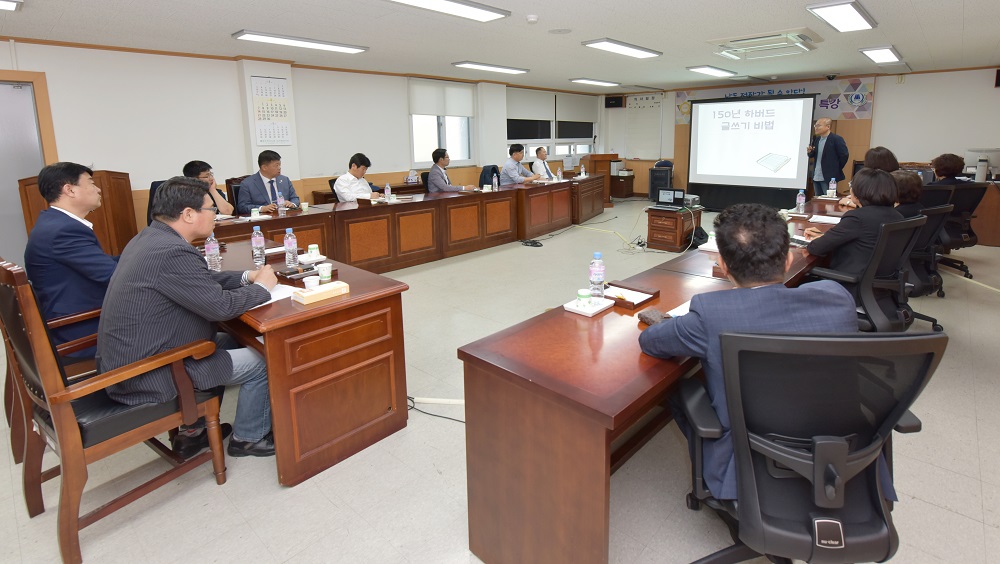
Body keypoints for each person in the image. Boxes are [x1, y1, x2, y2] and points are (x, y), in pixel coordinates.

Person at [637, 203, 858, 501]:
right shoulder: (836, 298)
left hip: (745, 469)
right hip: (836, 458)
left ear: (723, 266)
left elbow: (651, 342)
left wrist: (662, 321)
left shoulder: (710, 314)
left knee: (683, 389)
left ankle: (715, 473)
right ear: (789, 258)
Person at [99, 177, 279, 457]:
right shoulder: (172, 252)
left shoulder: (151, 238)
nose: (216, 217)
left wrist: (247, 276)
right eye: (212, 209)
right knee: (267, 356)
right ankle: (249, 438)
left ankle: (194, 430)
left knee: (233, 340)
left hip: (138, 355)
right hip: (152, 370)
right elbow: (220, 307)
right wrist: (262, 288)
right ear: (188, 214)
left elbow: (200, 278)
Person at [24, 162, 119, 355]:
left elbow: (102, 265)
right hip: (80, 330)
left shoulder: (54, 223)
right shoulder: (64, 230)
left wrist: (141, 256)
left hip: (73, 317)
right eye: (91, 183)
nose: (98, 189)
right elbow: (114, 276)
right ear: (69, 190)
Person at [805, 167, 903, 299]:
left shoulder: (857, 218)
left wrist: (822, 239)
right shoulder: (897, 216)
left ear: (858, 193)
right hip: (879, 287)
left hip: (851, 286)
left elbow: (815, 248)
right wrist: (825, 236)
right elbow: (866, 240)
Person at [237, 150, 299, 214]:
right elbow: (242, 207)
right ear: (264, 167)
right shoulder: (248, 184)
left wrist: (292, 204)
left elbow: (295, 198)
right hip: (263, 220)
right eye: (276, 165)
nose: (279, 168)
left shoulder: (285, 180)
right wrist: (262, 208)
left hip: (284, 217)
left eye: (279, 165)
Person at [806, 117, 849, 197]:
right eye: (815, 125)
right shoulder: (817, 139)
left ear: (828, 127)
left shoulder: (836, 139)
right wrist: (810, 152)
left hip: (829, 177)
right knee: (818, 201)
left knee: (829, 201)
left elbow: (844, 155)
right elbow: (814, 155)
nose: (816, 127)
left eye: (819, 125)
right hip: (816, 176)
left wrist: (836, 168)